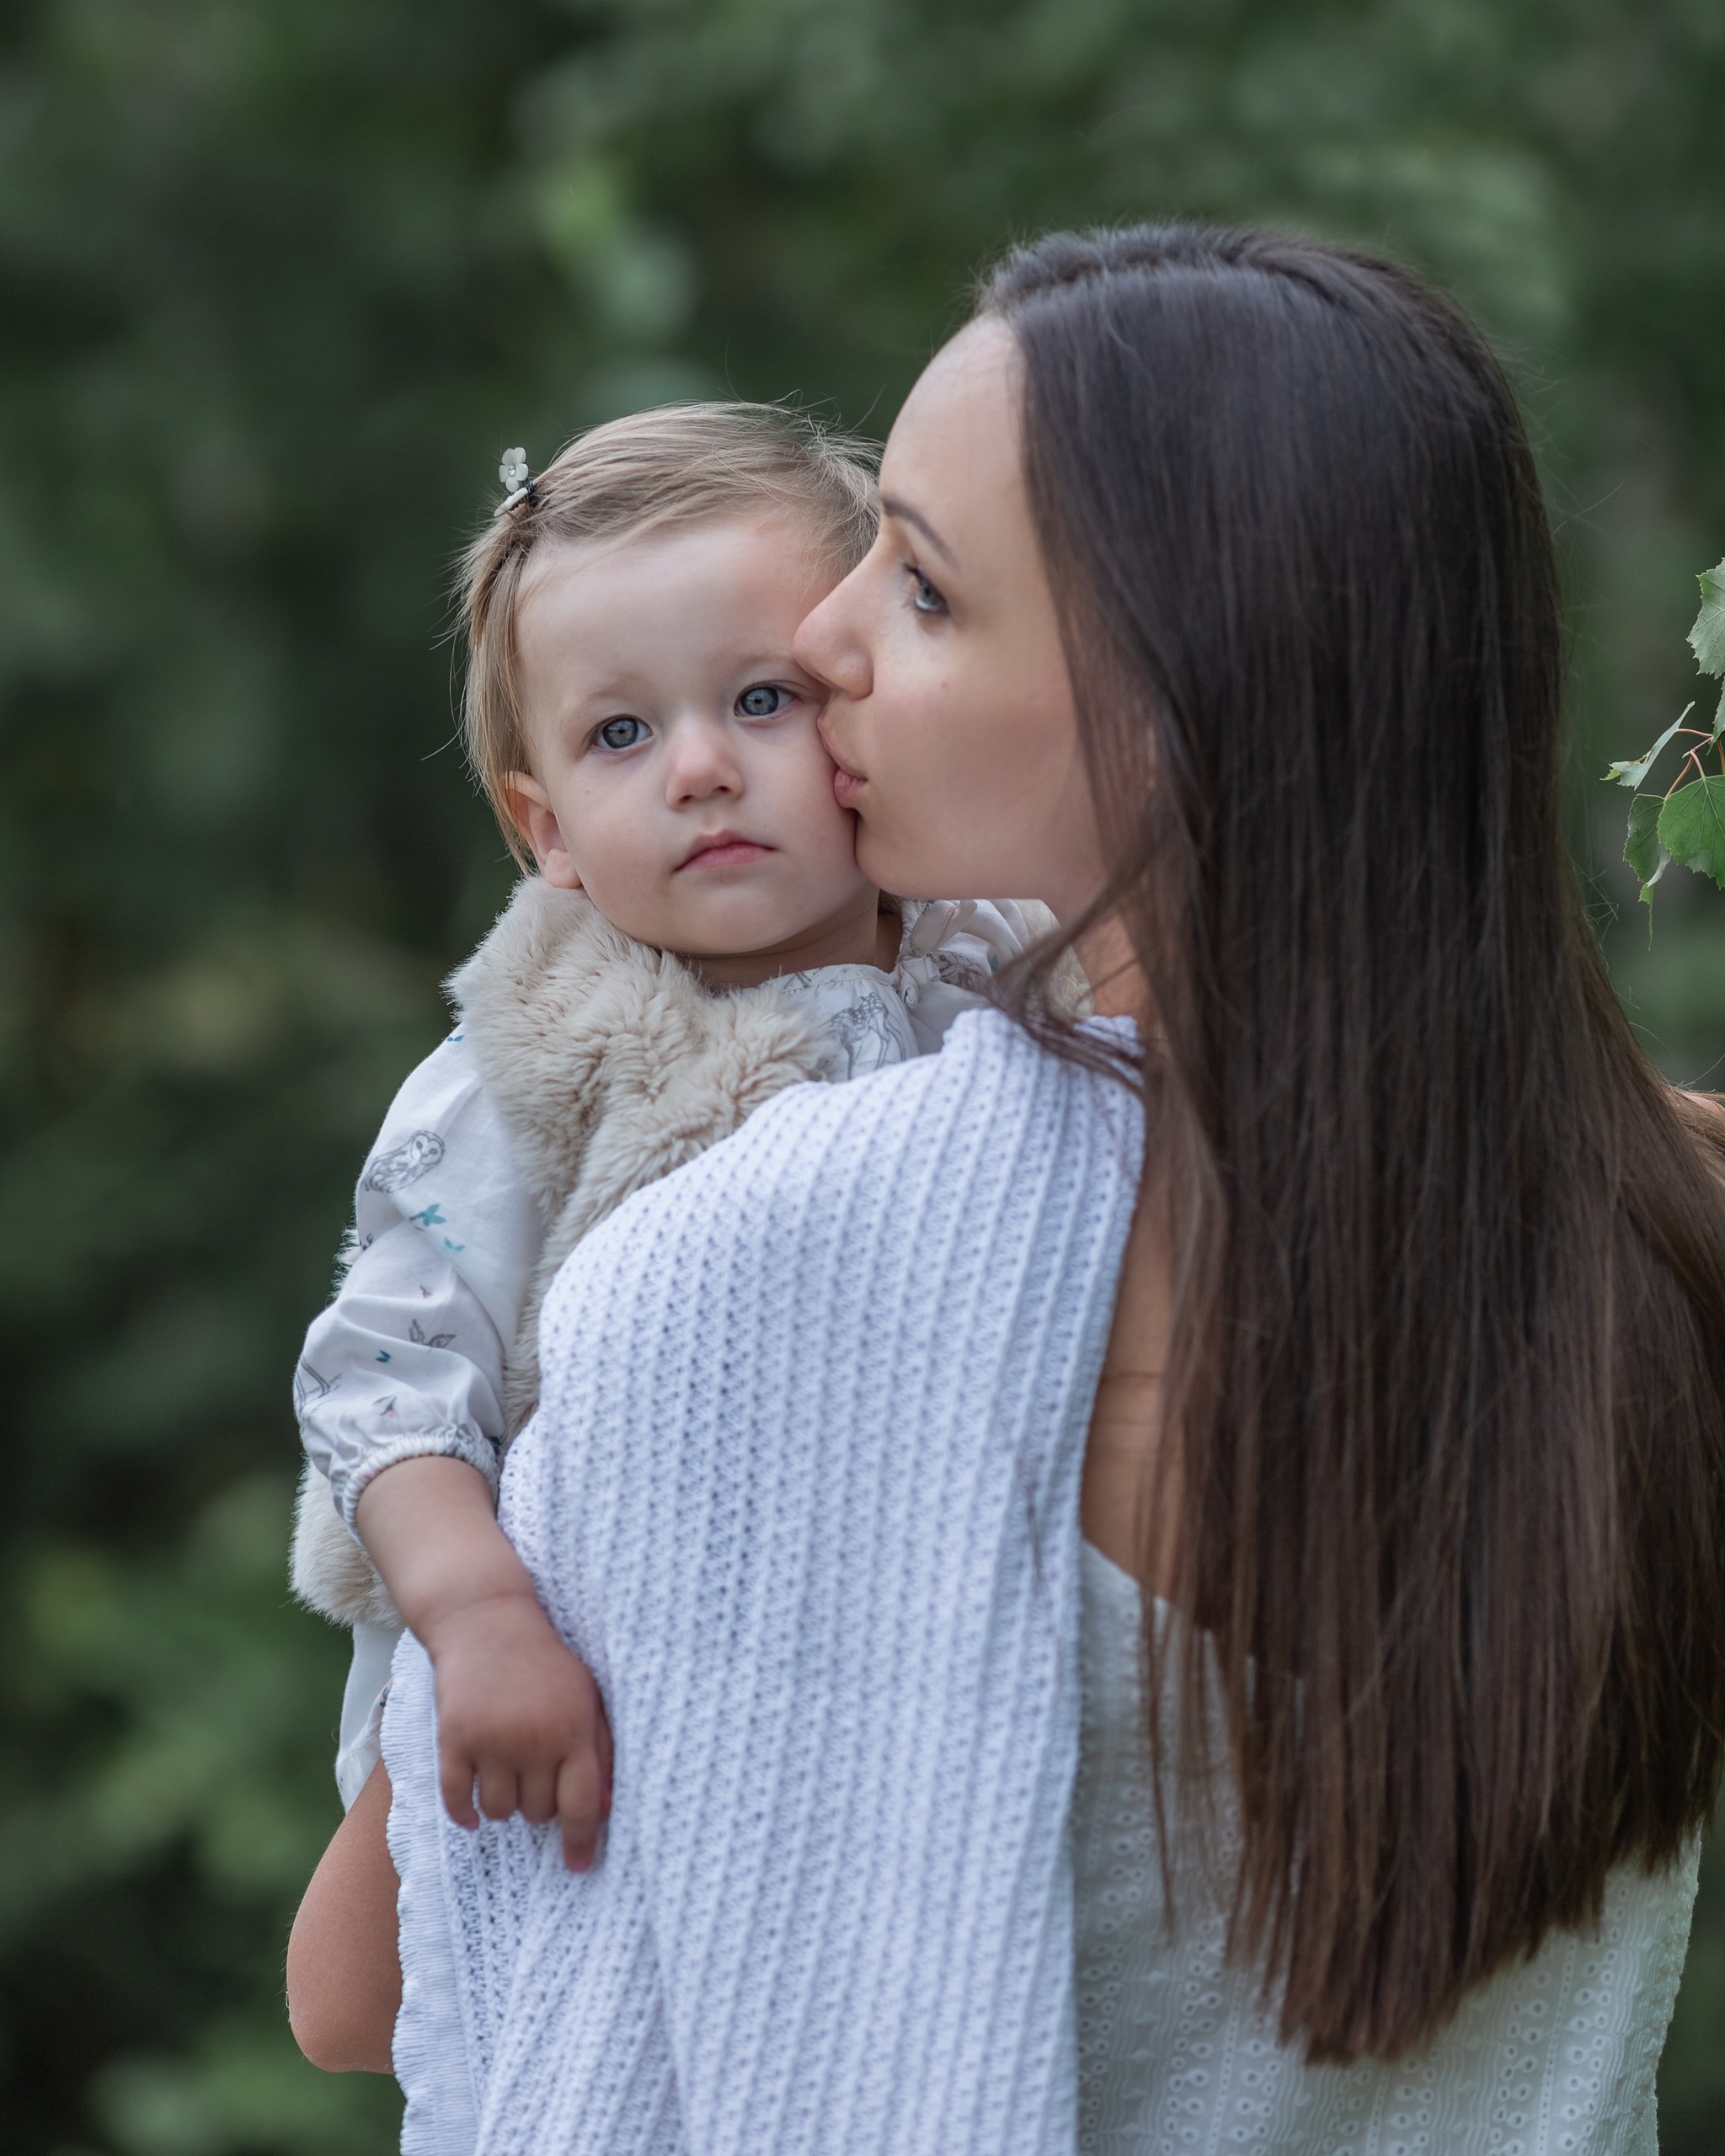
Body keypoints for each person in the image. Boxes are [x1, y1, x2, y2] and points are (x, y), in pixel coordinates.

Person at [289, 227, 1725, 2155]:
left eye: (924, 585)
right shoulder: (1668, 1228)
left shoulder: (748, 1268)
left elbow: (364, 1993)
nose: (822, 639)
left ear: (1173, 698)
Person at [288, 401, 1049, 1862]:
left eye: (763, 699)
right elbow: (384, 1384)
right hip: (569, 1694)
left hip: (903, 1645)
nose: (699, 766)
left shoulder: (994, 960)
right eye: (622, 732)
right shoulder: (535, 1055)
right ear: (547, 828)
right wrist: (483, 1617)